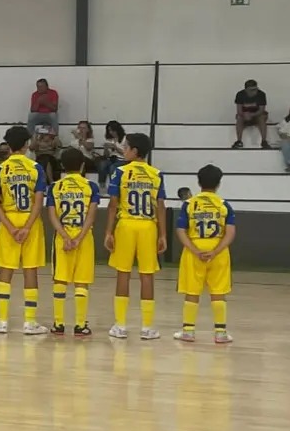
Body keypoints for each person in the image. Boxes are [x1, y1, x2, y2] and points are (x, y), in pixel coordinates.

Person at [104, 133, 166, 340]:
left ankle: (120, 325)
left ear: (135, 151)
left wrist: (108, 231)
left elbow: (113, 204)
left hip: (126, 225)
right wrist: (163, 234)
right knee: (147, 275)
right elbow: (160, 206)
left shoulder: (120, 172)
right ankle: (147, 327)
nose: (123, 150)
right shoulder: (156, 173)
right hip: (148, 226)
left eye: (126, 147)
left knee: (123, 273)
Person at [0, 125, 50, 335]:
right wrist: (26, 227)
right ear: (26, 144)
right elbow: (38, 202)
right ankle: (30, 322)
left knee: (5, 270)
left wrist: (10, 227)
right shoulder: (36, 168)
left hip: (8, 220)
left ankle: (2, 320)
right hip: (30, 222)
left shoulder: (0, 169)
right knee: (30, 270)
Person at [175, 164, 236, 344]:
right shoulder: (224, 205)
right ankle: (220, 333)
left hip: (194, 249)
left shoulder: (189, 204)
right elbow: (230, 232)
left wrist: (194, 250)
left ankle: (188, 331)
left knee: (192, 291)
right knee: (218, 292)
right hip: (218, 251)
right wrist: (216, 251)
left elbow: (180, 230)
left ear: (198, 182)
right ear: (218, 184)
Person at [45, 147, 98, 337]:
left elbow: (52, 215)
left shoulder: (55, 187)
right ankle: (80, 325)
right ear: (83, 165)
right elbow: (91, 217)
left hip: (62, 236)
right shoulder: (91, 187)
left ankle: (59, 324)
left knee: (60, 279)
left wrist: (66, 237)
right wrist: (78, 238)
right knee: (82, 282)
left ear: (62, 166)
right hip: (84, 238)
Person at [233, 79, 268, 149]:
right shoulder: (240, 95)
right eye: (252, 90)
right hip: (244, 116)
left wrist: (251, 115)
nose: (254, 92)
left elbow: (261, 110)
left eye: (255, 89)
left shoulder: (261, 94)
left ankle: (264, 141)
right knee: (239, 118)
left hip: (256, 115)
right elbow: (239, 110)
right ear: (246, 90)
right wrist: (245, 115)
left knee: (262, 117)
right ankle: (239, 141)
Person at [98, 120, 126, 186]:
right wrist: (106, 149)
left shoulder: (125, 138)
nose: (111, 132)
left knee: (112, 167)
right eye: (109, 130)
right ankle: (102, 185)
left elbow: (125, 153)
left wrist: (115, 147)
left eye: (113, 130)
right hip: (111, 158)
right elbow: (106, 155)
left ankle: (113, 186)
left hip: (122, 159)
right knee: (102, 164)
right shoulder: (109, 139)